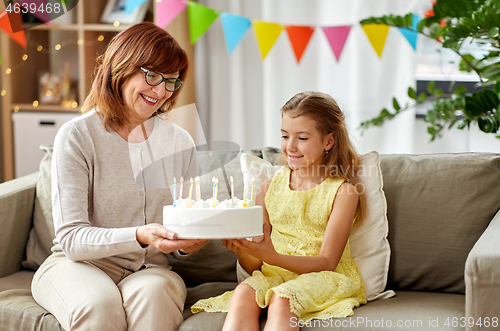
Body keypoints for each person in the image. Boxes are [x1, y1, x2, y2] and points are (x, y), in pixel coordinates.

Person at [31, 22, 207, 331]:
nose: (160, 90)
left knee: (157, 294)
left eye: (171, 82)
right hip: (78, 265)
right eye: (151, 75)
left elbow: (185, 224)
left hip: (148, 268)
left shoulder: (180, 141)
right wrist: (139, 235)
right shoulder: (77, 136)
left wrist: (187, 243)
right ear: (122, 66)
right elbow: (72, 238)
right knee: (99, 304)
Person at [191, 91, 367, 330]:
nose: (290, 146)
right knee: (244, 291)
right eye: (285, 136)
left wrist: (271, 257)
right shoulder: (268, 188)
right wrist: (242, 250)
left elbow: (327, 262)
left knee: (283, 298)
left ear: (329, 141)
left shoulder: (343, 192)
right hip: (274, 274)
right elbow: (256, 264)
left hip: (321, 276)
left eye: (302, 138)